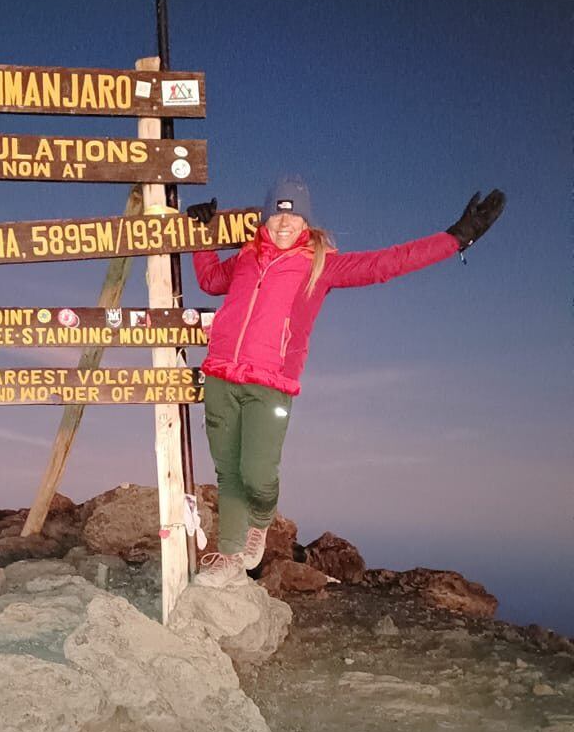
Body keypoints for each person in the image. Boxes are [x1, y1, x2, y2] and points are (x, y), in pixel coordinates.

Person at [186, 176, 506, 588]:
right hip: (220, 374)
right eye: (276, 216)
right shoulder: (247, 258)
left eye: (294, 216)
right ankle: (230, 558)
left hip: (272, 382)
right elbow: (211, 280)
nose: (284, 224)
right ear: (265, 221)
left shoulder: (321, 264)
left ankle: (261, 521)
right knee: (229, 473)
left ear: (306, 223)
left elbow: (384, 264)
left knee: (257, 475)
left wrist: (455, 238)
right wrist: (201, 235)